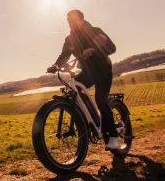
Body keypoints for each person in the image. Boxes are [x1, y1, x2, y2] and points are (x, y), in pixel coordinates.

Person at [47, 9, 121, 150]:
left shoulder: (95, 31)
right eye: (69, 22)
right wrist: (56, 65)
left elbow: (112, 48)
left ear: (82, 20)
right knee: (73, 89)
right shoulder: (70, 39)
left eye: (74, 21)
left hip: (102, 70)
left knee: (100, 99)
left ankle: (113, 137)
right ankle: (91, 118)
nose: (71, 24)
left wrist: (93, 49)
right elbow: (64, 56)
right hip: (88, 72)